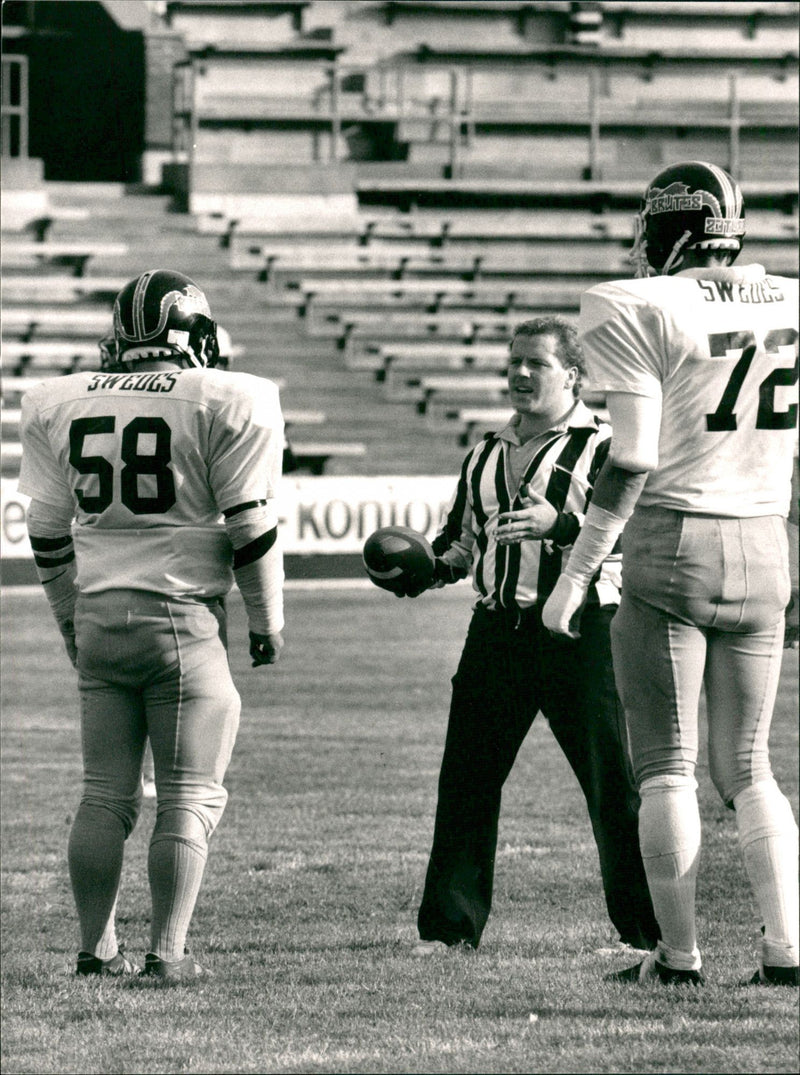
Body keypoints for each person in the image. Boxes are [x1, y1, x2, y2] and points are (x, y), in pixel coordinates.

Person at [542, 161, 799, 987]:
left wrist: (578, 570)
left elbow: (632, 458)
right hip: (766, 540)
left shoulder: (637, 303)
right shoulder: (789, 297)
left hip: (673, 541)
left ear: (669, 231)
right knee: (751, 764)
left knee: (666, 764)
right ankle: (786, 951)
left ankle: (680, 957)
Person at [19, 269, 285, 982]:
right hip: (180, 616)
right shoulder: (229, 396)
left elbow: (47, 534)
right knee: (189, 793)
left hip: (102, 616)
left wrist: (72, 623)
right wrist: (267, 621)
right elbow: (251, 526)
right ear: (193, 334)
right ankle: (167, 951)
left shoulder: (58, 399)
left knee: (104, 791)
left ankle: (95, 946)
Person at [396, 315, 660, 956]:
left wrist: (562, 524)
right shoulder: (484, 452)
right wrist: (424, 570)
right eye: (513, 361)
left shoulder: (606, 448)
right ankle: (450, 930)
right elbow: (462, 543)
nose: (518, 373)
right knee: (466, 780)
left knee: (611, 785)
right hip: (496, 632)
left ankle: (647, 934)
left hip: (583, 629)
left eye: (534, 363)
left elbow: (644, 536)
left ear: (572, 376)